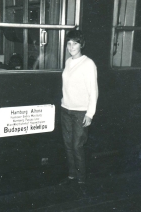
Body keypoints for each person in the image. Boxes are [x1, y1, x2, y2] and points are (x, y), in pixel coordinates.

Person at [59, 30, 98, 186]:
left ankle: (81, 180)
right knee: (68, 145)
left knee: (77, 146)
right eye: (69, 43)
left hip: (80, 112)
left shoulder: (88, 64)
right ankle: (71, 176)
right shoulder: (68, 62)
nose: (71, 46)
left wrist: (90, 114)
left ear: (81, 44)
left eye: (75, 43)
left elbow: (93, 91)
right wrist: (64, 100)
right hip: (66, 110)